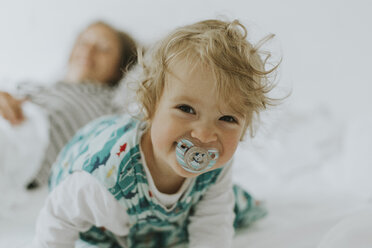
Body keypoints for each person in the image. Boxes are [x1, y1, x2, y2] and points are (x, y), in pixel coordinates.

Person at [32, 19, 278, 247]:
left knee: (227, 206)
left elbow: (213, 225)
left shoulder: (216, 163)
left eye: (227, 119)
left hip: (157, 219)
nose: (204, 135)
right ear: (150, 107)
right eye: (186, 109)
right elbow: (58, 217)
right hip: (104, 212)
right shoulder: (100, 177)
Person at [0, 21, 137, 189]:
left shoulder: (108, 104)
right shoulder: (35, 85)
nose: (88, 50)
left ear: (120, 68)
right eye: (83, 42)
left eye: (103, 48)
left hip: (25, 141)